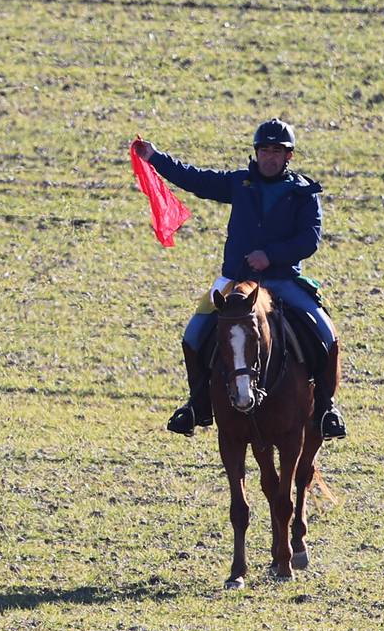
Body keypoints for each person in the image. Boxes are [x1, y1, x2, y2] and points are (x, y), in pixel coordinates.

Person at [134, 118, 346, 439]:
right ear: (256, 152)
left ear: (288, 156)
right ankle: (197, 405)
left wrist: (270, 256)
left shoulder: (304, 193)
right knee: (193, 335)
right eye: (265, 150)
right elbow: (195, 179)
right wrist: (155, 157)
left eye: (278, 151)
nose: (270, 157)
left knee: (327, 335)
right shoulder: (239, 183)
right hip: (235, 281)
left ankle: (327, 409)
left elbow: (309, 240)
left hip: (283, 282)